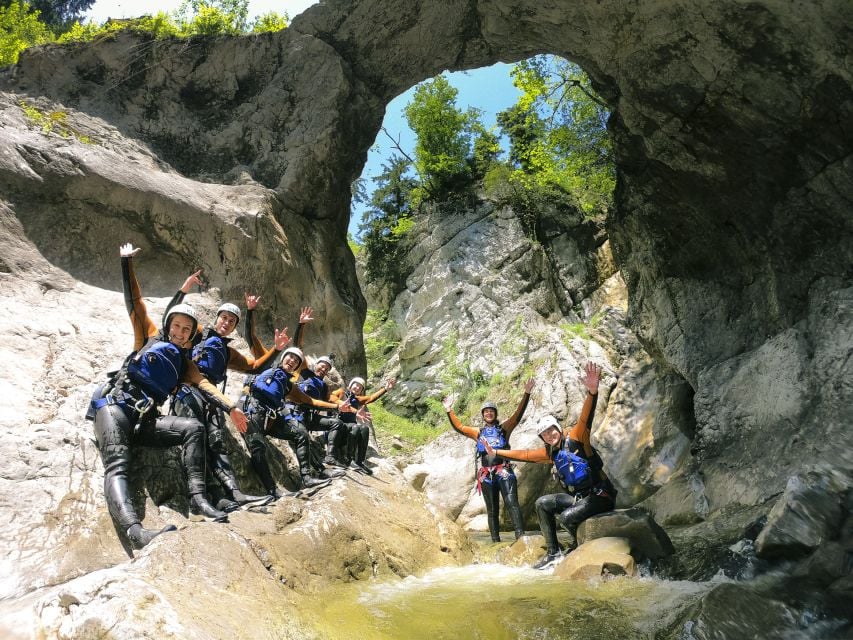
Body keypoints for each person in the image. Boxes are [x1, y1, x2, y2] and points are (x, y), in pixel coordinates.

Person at [89, 243, 249, 550]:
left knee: (194, 428)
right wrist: (126, 263)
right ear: (168, 325)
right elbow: (134, 302)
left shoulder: (185, 364)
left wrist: (231, 408)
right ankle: (135, 533)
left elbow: (206, 386)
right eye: (176, 325)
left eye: (186, 329)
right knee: (118, 464)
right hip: (115, 407)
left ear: (192, 334)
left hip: (144, 421)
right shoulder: (148, 335)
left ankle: (200, 501)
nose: (180, 331)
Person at [165, 274, 288, 511]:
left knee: (217, 443)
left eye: (232, 321)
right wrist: (184, 289)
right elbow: (172, 322)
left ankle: (232, 494)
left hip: (213, 399)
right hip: (190, 389)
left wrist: (277, 349)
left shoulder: (229, 352)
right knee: (196, 437)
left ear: (233, 326)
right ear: (217, 318)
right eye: (224, 317)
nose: (227, 322)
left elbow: (255, 366)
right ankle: (203, 497)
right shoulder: (198, 333)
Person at [481, 363, 616, 569]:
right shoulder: (549, 452)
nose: (549, 435)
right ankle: (554, 554)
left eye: (551, 430)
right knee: (542, 503)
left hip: (600, 496)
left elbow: (585, 417)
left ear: (558, 429)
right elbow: (524, 454)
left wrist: (592, 392)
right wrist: (496, 452)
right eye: (544, 434)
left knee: (565, 517)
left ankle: (582, 550)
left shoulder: (577, 437)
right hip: (579, 498)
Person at [241, 346, 350, 497]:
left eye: (296, 361)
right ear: (283, 357)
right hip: (252, 411)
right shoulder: (268, 364)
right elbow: (252, 339)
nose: (292, 361)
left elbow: (311, 401)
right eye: (290, 357)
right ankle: (273, 490)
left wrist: (337, 407)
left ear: (297, 367)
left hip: (271, 417)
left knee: (300, 433)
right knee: (258, 446)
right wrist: (298, 328)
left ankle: (307, 478)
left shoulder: (289, 385)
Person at [442, 378, 534, 542]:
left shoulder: (504, 428)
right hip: (486, 475)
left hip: (504, 471)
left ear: (495, 414)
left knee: (512, 502)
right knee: (491, 510)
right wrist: (449, 410)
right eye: (486, 411)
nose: (489, 413)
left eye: (491, 411)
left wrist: (526, 393)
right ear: (483, 415)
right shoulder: (478, 432)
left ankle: (520, 537)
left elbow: (517, 415)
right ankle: (495, 541)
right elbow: (460, 428)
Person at [331, 377, 395, 475]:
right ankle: (349, 460)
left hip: (350, 427)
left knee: (365, 428)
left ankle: (360, 461)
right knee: (355, 427)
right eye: (356, 385)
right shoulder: (341, 392)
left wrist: (385, 389)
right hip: (338, 425)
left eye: (360, 387)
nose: (357, 388)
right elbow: (331, 397)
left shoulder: (357, 399)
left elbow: (371, 398)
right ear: (351, 385)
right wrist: (342, 404)